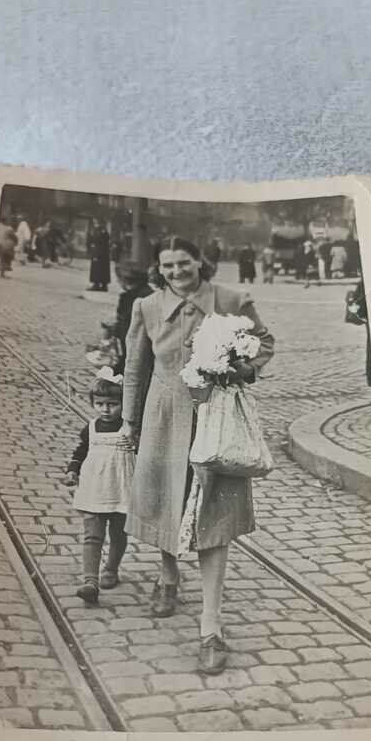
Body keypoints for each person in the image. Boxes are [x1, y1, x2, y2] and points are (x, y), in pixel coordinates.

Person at [121, 237, 274, 674]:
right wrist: (130, 422)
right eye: (167, 265)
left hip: (217, 417)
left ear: (199, 262)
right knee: (164, 501)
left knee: (213, 514)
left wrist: (241, 366)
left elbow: (264, 343)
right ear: (158, 267)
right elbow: (135, 368)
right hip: (164, 416)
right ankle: (168, 576)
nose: (175, 272)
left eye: (183, 263)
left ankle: (211, 626)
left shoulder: (231, 299)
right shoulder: (146, 307)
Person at [65, 370, 134, 603]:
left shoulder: (129, 428)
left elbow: (141, 453)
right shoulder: (91, 427)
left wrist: (134, 443)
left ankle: (111, 569)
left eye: (112, 404)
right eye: (100, 404)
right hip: (94, 489)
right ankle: (90, 581)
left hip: (121, 489)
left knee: (117, 534)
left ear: (124, 404)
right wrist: (72, 470)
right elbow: (81, 451)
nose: (105, 409)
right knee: (92, 536)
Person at [103, 260, 153, 374]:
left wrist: (111, 329)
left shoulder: (127, 298)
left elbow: (126, 326)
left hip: (134, 348)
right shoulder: (151, 294)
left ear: (124, 281)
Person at [88, 221, 111, 291]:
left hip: (98, 253)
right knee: (104, 270)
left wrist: (96, 254)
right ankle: (104, 285)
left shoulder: (98, 231)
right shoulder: (105, 231)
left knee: (96, 269)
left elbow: (97, 242)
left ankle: (96, 285)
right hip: (105, 255)